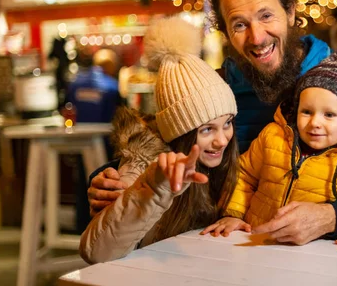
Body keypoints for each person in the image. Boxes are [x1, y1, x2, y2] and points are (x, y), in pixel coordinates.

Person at [87, 0, 337, 245]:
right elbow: (168, 142)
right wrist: (112, 177)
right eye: (239, 24)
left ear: (290, 11)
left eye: (266, 16)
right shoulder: (217, 87)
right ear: (225, 33)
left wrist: (334, 216)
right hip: (230, 245)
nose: (257, 37)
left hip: (330, 253)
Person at [80, 16, 240, 263]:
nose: (222, 140)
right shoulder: (143, 165)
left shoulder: (224, 162)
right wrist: (154, 189)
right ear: (180, 132)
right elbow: (96, 252)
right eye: (207, 129)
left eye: (227, 123)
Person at [202, 49, 337, 236]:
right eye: (306, 111)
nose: (315, 123)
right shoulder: (272, 137)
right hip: (254, 242)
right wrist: (232, 214)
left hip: (313, 256)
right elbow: (244, 175)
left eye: (329, 115)